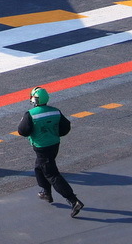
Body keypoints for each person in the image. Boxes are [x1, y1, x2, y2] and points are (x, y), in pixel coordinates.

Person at [17, 87, 84, 217]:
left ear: (34, 100)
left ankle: (73, 200)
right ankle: (46, 192)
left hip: (41, 147)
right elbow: (65, 127)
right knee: (38, 167)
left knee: (52, 175)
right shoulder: (55, 111)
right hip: (54, 145)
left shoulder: (31, 114)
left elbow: (22, 131)